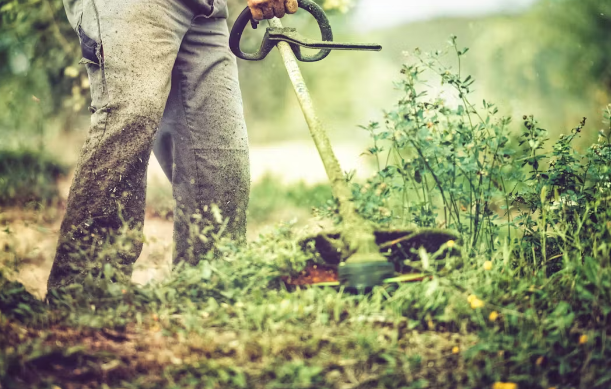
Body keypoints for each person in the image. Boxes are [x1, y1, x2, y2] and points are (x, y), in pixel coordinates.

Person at [47, 0, 298, 293]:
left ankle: (210, 286)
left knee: (220, 147)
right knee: (131, 115)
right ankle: (85, 289)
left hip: (206, 10)